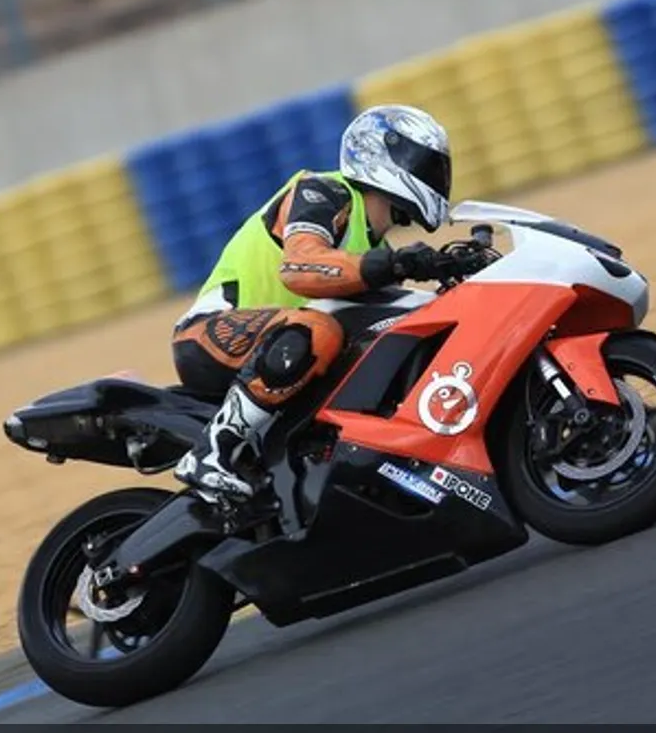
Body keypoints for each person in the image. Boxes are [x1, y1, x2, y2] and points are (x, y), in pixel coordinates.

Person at [171, 104, 472, 523]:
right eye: (424, 165)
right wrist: (397, 265)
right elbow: (299, 267)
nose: (435, 178)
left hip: (285, 353)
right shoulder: (322, 192)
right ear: (381, 156)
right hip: (210, 335)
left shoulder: (377, 251)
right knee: (319, 328)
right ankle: (213, 452)